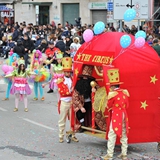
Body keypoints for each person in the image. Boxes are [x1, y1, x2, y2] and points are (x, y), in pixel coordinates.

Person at [101, 68, 130, 160]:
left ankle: (109, 155)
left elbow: (108, 105)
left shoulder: (112, 94)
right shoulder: (124, 93)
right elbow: (127, 105)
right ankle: (124, 154)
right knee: (124, 133)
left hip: (116, 115)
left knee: (112, 134)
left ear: (113, 86)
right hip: (124, 114)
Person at [57, 57, 79, 143]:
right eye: (66, 71)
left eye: (69, 72)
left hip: (72, 102)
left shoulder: (73, 79)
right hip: (64, 102)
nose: (67, 73)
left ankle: (72, 135)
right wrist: (70, 91)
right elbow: (62, 91)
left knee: (73, 120)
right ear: (64, 71)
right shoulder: (60, 80)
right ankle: (61, 135)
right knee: (62, 119)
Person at [72, 65, 95, 132]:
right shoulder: (79, 86)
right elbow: (75, 97)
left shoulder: (92, 84)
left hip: (90, 102)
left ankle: (95, 125)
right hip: (81, 103)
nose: (85, 79)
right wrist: (81, 107)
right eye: (84, 77)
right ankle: (83, 125)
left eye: (87, 78)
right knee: (79, 112)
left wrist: (95, 91)